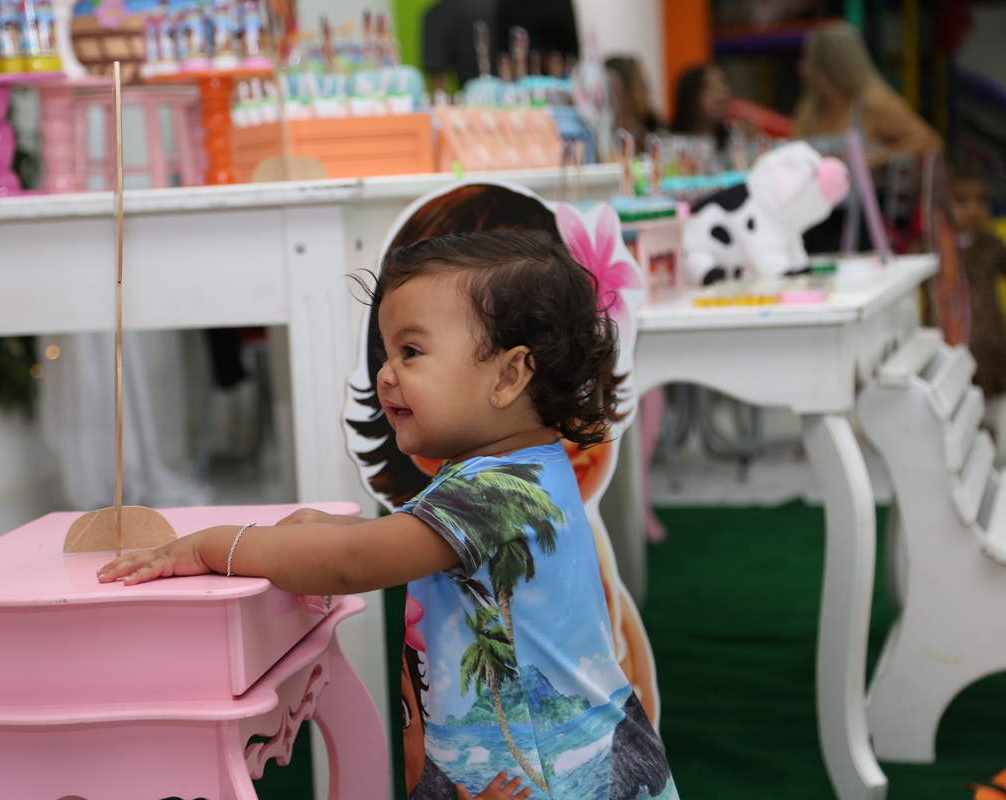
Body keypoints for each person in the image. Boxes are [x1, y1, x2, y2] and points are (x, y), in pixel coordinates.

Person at [99, 229, 677, 800]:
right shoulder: (521, 470)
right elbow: (421, 548)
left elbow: (354, 562)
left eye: (412, 352)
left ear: (507, 376)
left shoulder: (496, 492)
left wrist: (211, 546)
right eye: (386, 352)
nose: (386, 373)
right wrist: (335, 528)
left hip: (556, 781)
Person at [792, 21, 942, 162]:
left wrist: (879, 157)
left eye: (807, 60)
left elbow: (930, 142)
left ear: (829, 67)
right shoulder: (808, 110)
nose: (802, 69)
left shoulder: (873, 102)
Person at [950, 156, 1006, 463]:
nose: (974, 209)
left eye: (981, 200)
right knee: (957, 412)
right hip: (951, 346)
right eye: (961, 201)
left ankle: (992, 466)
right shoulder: (932, 247)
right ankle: (964, 462)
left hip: (990, 346)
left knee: (991, 410)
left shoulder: (991, 245)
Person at [423, 0, 499, 93]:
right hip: (509, 93)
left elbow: (436, 78)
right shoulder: (439, 13)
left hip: (471, 95)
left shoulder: (437, 13)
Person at [670, 63, 732, 154]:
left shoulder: (733, 139)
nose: (721, 96)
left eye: (723, 88)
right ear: (690, 98)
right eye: (712, 89)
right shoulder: (668, 142)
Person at [606, 56, 661, 153]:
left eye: (646, 85)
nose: (647, 91)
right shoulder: (608, 143)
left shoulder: (642, 133)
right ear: (620, 91)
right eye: (641, 85)